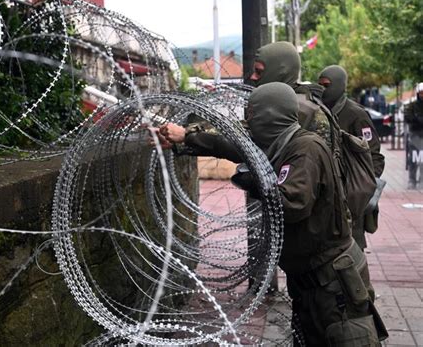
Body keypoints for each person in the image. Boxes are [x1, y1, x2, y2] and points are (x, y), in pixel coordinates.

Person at [156, 82, 387, 346]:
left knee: (345, 339)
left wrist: (256, 182)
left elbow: (292, 203)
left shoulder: (305, 150)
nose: (248, 121)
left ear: (270, 115)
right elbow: (233, 144)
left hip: (333, 283)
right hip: (312, 280)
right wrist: (186, 138)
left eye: (252, 114)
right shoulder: (282, 145)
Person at [318, 65, 385, 250]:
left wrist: (359, 190)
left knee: (352, 251)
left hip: (350, 198)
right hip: (327, 195)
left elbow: (375, 156)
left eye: (327, 85)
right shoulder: (319, 113)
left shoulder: (356, 115)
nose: (323, 90)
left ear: (339, 85)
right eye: (320, 85)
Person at [404, 82, 423, 189]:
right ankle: (412, 180)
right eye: (421, 93)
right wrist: (417, 120)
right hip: (414, 136)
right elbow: (408, 118)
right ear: (418, 93)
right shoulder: (411, 106)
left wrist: (418, 119)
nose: (422, 95)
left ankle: (422, 180)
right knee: (413, 159)